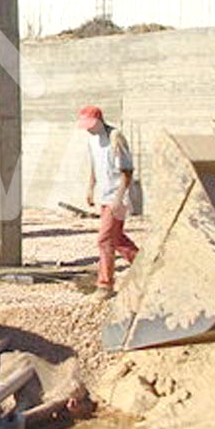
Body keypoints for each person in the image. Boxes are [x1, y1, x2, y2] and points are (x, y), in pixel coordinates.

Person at [78, 105, 138, 300]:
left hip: (117, 197)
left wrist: (118, 199)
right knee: (117, 238)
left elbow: (127, 172)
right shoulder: (92, 140)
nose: (87, 128)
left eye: (90, 125)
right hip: (105, 196)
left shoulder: (115, 138)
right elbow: (95, 166)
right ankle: (146, 266)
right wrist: (90, 187)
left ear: (99, 121)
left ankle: (105, 285)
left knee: (104, 240)